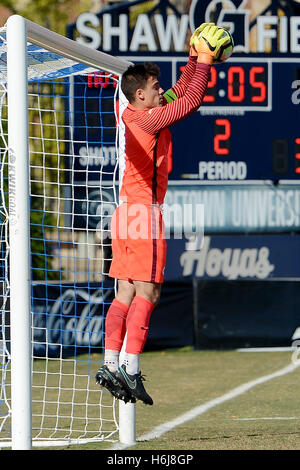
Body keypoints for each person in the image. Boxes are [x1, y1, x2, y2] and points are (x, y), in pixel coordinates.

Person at [96, 23, 230, 405]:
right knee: (150, 291)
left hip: (124, 212)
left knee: (124, 291)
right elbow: (190, 102)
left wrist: (193, 57)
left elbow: (181, 90)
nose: (161, 90)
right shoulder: (146, 118)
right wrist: (205, 59)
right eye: (155, 87)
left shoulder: (136, 113)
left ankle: (111, 363)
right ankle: (130, 368)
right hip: (143, 214)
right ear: (140, 94)